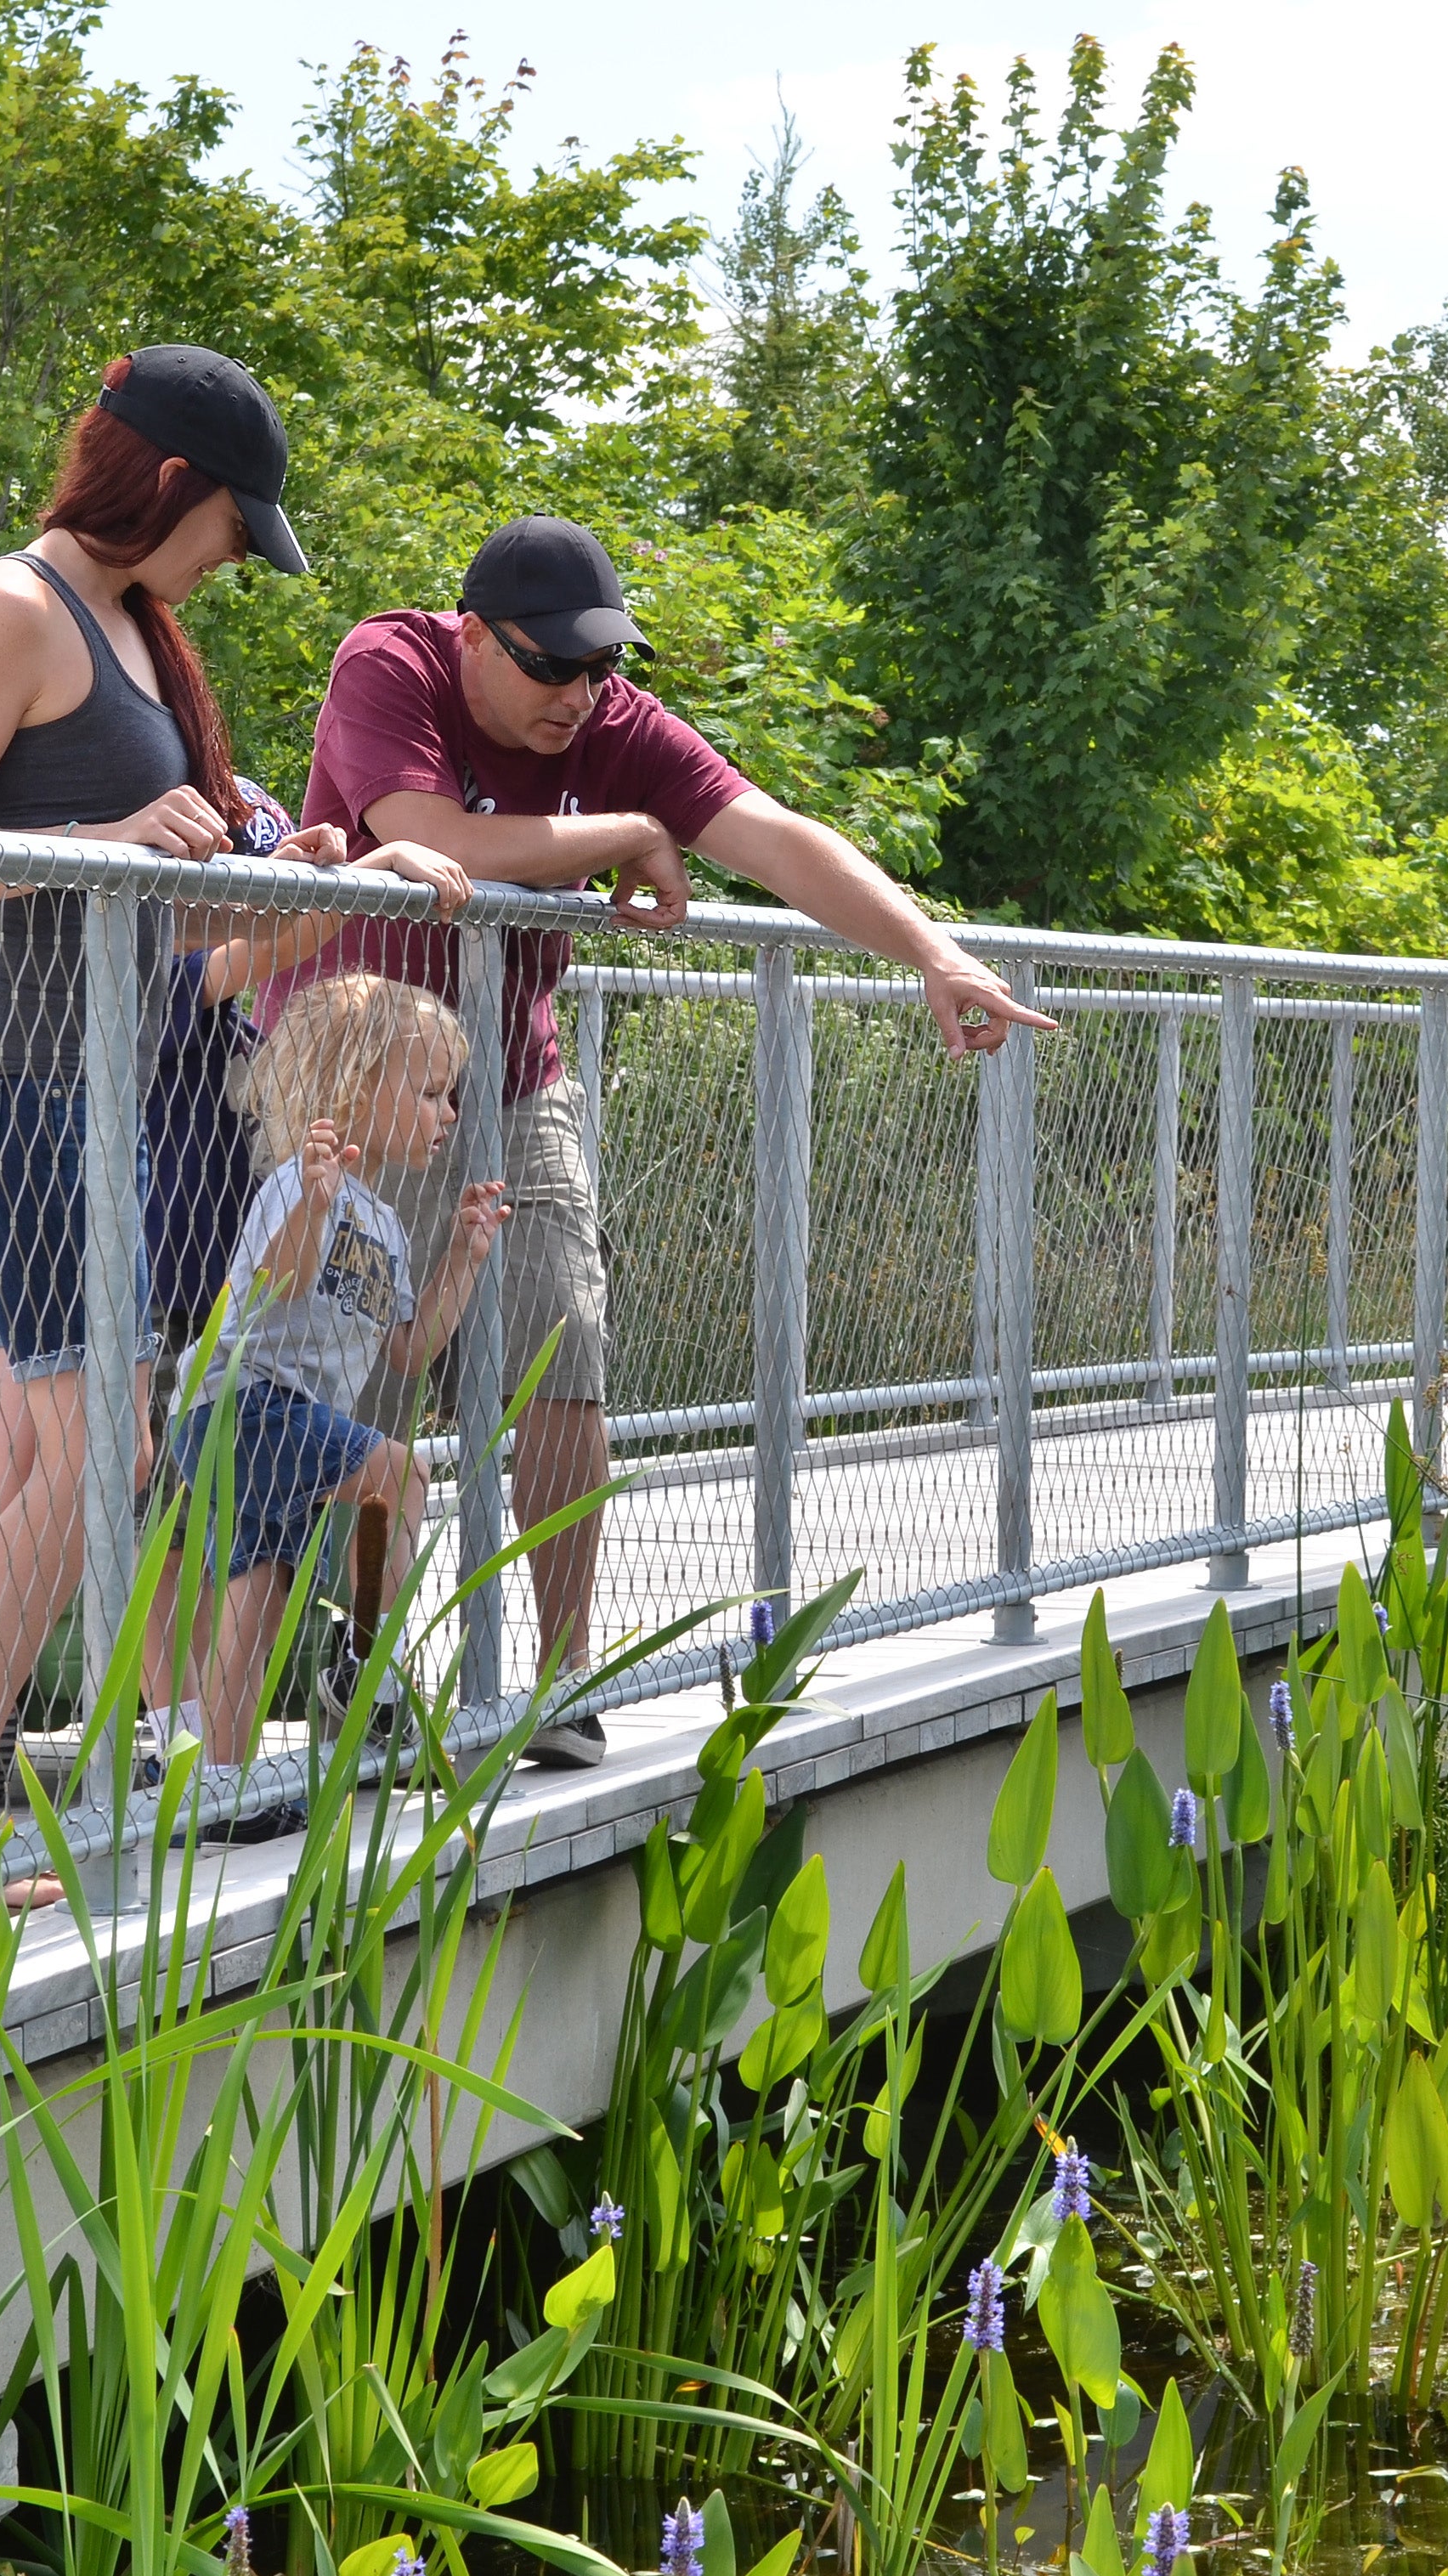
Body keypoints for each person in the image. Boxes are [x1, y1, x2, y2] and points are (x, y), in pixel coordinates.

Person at [279, 514, 1052, 1766]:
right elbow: (442, 843)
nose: (580, 699)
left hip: (510, 1075)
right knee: (347, 1376)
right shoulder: (393, 664)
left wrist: (936, 953)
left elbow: (775, 835)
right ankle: (346, 1673)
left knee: (563, 1351)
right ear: (476, 636)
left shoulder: (614, 721)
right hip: (350, 1075)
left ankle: (561, 1678)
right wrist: (632, 834)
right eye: (549, 670)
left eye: (599, 671)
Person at [0, 342, 467, 1856]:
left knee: (26, 1457)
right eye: (228, 532)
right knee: (97, 1460)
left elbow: (188, 933)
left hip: (99, 1088)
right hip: (20, 1082)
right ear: (176, 484)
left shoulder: (136, 635)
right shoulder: (16, 607)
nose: (226, 568)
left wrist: (329, 868)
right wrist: (116, 833)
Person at [163, 974, 508, 1764]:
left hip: (283, 1424)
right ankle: (366, 1672)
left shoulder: (384, 1225)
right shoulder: (300, 1185)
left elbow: (410, 1350)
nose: (448, 1115)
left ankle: (225, 1783)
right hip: (242, 1407)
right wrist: (312, 1210)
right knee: (402, 1475)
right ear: (358, 1087)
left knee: (259, 1600)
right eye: (429, 1093)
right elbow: (262, 1292)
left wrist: (463, 1256)